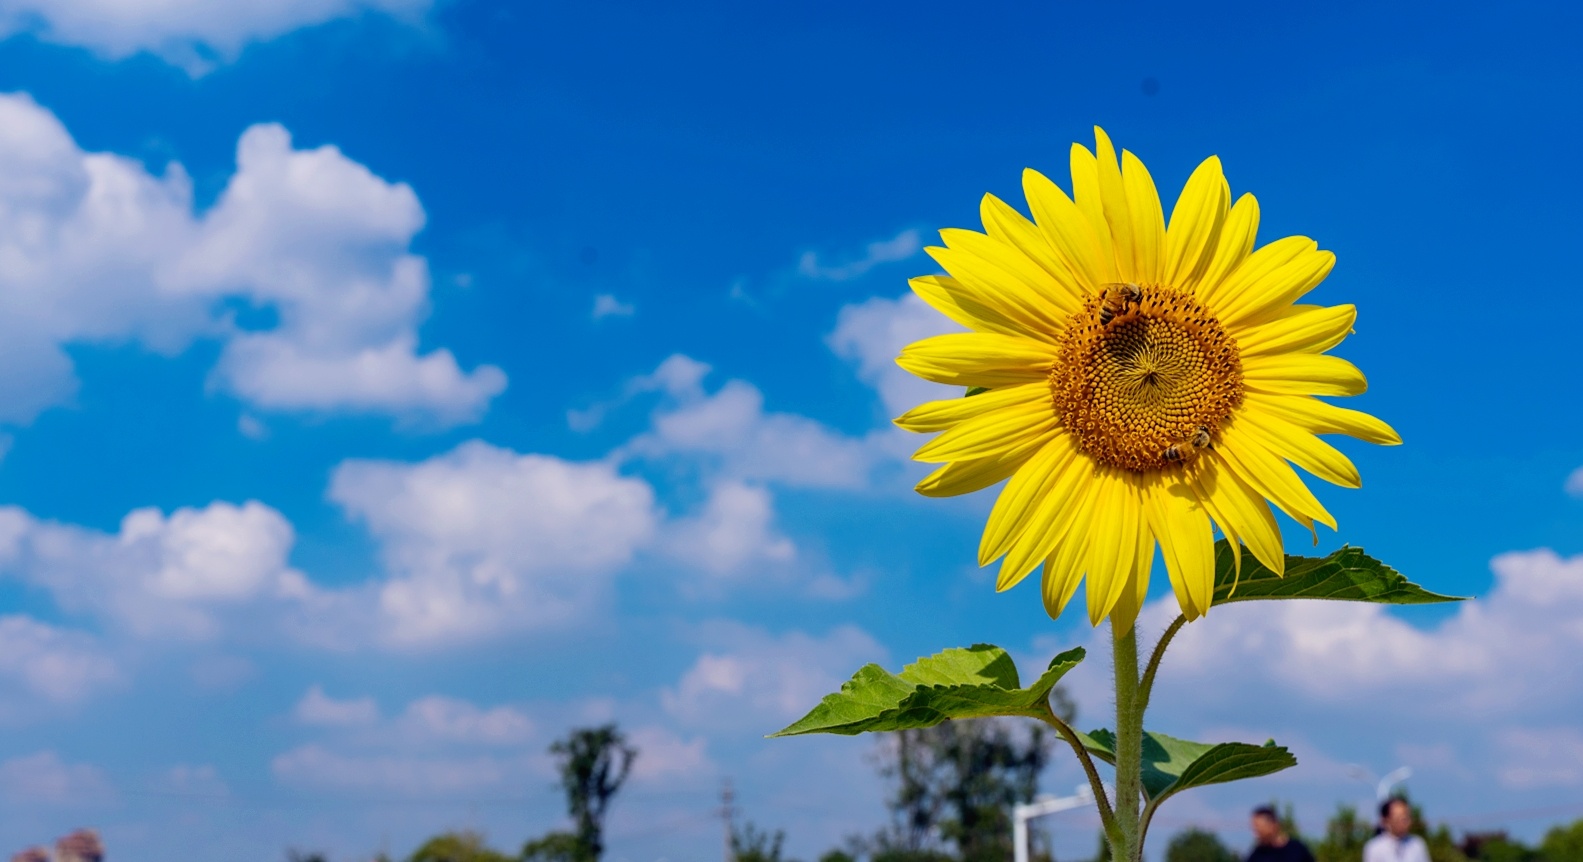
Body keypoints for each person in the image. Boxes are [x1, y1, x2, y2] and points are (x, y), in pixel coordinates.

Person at [1363, 798, 1430, 862]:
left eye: (1406, 817)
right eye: (1399, 817)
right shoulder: (1375, 848)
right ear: (1386, 820)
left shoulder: (1417, 844)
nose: (1404, 822)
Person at [1247, 805, 1315, 862]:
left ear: (1273, 825)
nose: (1256, 835)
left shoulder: (1297, 849)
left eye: (1259, 829)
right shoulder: (1257, 856)